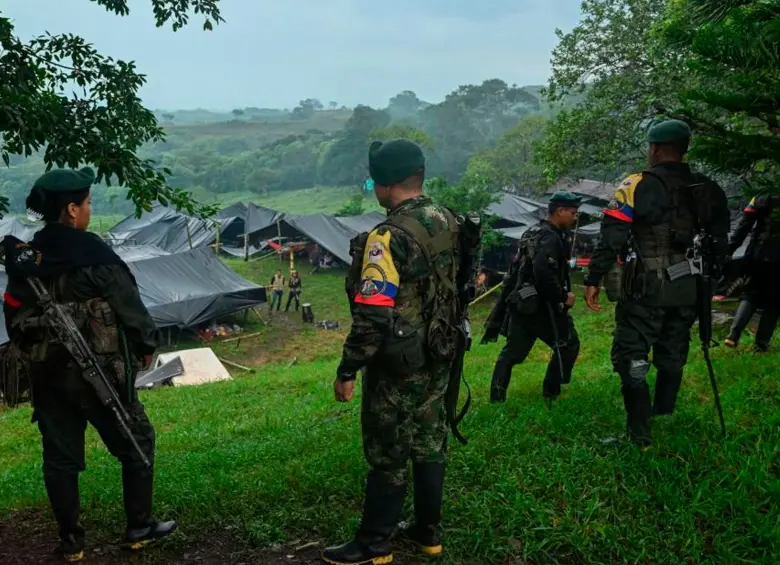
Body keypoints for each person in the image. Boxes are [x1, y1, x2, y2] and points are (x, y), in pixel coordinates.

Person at [2, 167, 176, 562]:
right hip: (101, 375)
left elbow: (13, 313)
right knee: (137, 441)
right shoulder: (94, 255)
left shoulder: (26, 260)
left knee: (60, 459)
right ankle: (139, 526)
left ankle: (72, 542)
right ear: (71, 210)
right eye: (88, 203)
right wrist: (146, 345)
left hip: (48, 375)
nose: (89, 210)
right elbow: (130, 308)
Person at [322, 139, 466, 565]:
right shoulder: (446, 218)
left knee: (388, 448)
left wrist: (348, 369)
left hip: (399, 361)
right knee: (429, 439)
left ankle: (373, 544)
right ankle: (428, 532)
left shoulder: (386, 237)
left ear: (384, 184)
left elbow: (372, 315)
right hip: (441, 349)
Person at [583, 119, 730, 448]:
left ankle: (640, 433)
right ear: (683, 149)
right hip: (691, 285)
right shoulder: (710, 188)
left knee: (631, 353)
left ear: (654, 148)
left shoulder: (635, 184)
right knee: (673, 348)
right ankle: (664, 413)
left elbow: (611, 238)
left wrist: (594, 278)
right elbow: (721, 244)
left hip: (645, 286)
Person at [482, 192, 582, 403]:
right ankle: (550, 393)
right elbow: (543, 273)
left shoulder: (533, 231)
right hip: (541, 305)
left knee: (511, 353)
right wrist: (563, 297)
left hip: (522, 302)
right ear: (560, 210)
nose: (575, 217)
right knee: (568, 343)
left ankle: (496, 398)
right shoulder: (550, 237)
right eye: (573, 213)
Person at [724, 191, 780, 352]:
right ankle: (761, 344)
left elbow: (743, 226)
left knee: (750, 294)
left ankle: (733, 336)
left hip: (758, 253)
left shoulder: (760, 198)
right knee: (775, 302)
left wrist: (730, 250)